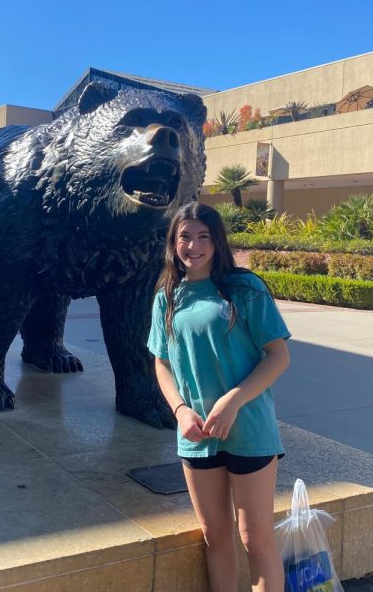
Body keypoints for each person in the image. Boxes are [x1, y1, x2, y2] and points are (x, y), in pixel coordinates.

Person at [147, 202, 291, 592]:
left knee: (255, 540)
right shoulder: (167, 297)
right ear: (173, 243)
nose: (193, 245)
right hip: (196, 436)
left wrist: (232, 401)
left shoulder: (246, 288)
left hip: (249, 431)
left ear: (217, 241)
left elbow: (278, 356)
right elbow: (161, 363)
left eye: (203, 236)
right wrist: (179, 410)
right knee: (216, 537)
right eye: (185, 237)